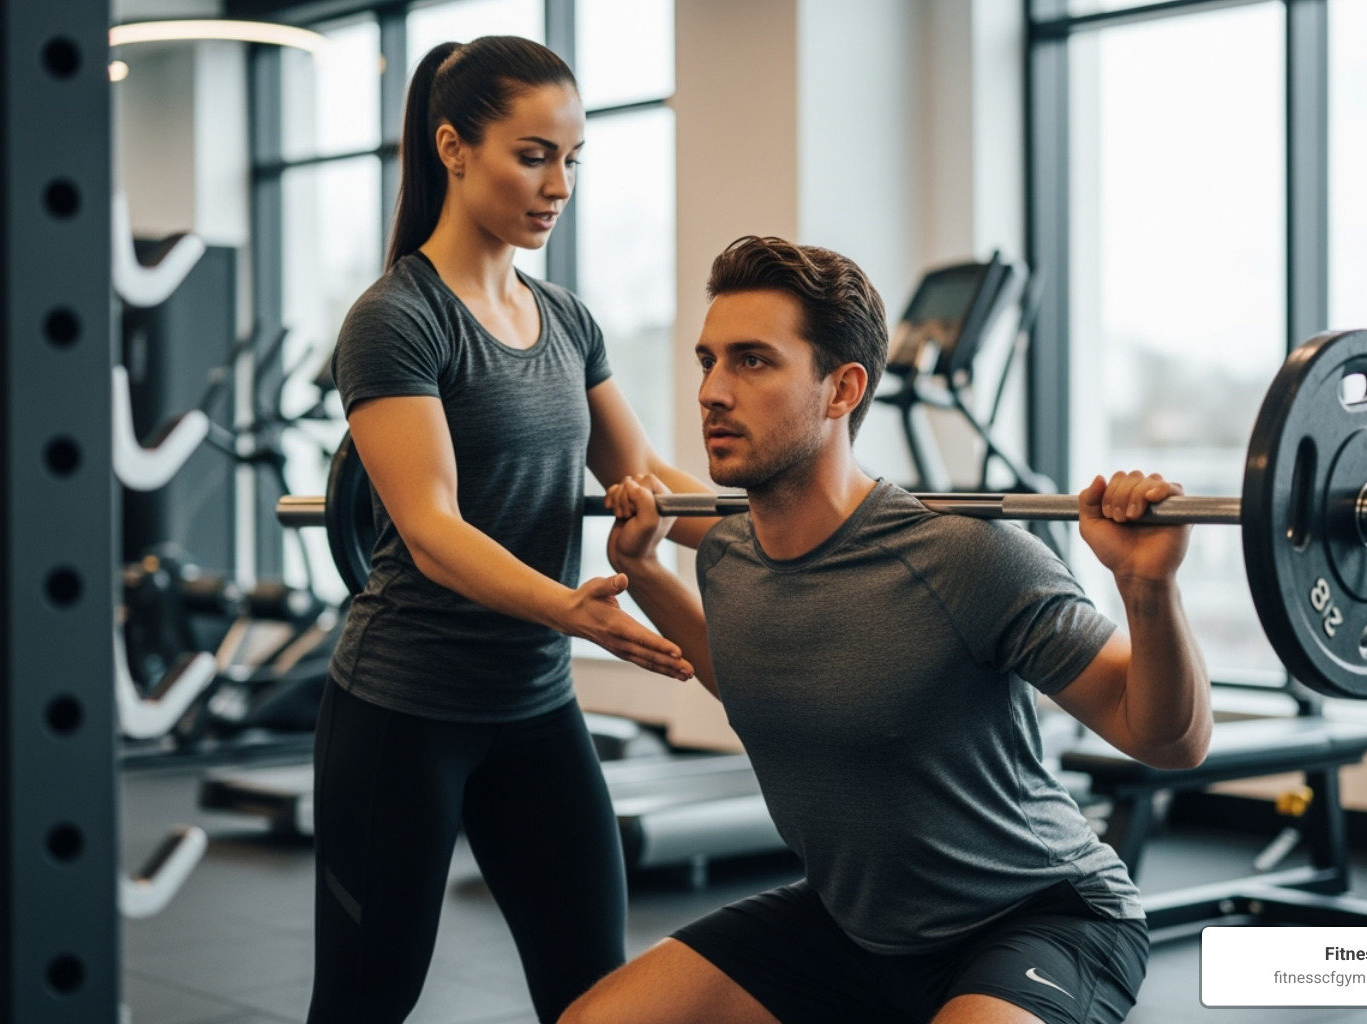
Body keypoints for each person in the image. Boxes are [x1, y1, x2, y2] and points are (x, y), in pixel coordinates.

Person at [563, 236, 1213, 1024]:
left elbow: (1171, 740)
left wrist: (1147, 589)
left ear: (842, 390)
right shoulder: (729, 553)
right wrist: (654, 578)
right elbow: (752, 677)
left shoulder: (969, 560)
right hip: (858, 925)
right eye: (709, 361)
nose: (713, 391)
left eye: (753, 361)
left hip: (1036, 916)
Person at [308, 36, 710, 1024]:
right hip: (403, 711)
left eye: (573, 159)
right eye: (534, 155)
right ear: (453, 147)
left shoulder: (568, 319)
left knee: (594, 996)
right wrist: (576, 609)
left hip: (534, 708)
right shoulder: (398, 319)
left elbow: (647, 476)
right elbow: (433, 527)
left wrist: (819, 523)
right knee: (366, 1001)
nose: (559, 183)